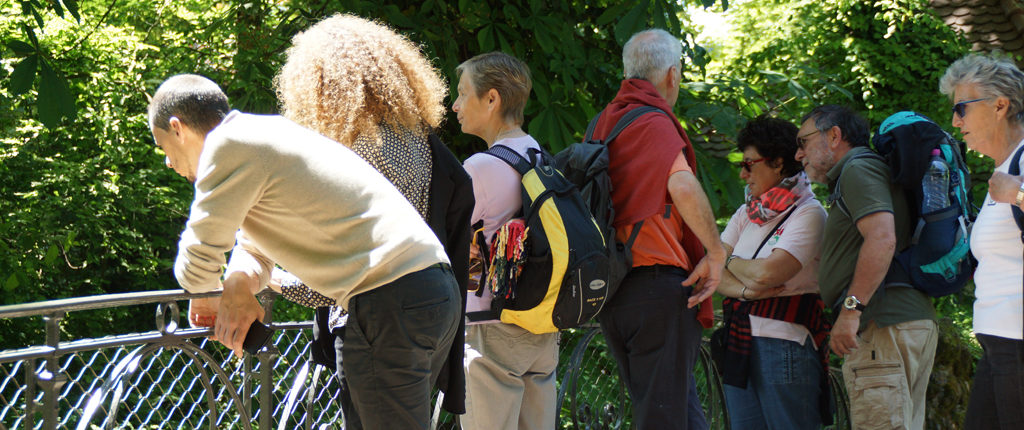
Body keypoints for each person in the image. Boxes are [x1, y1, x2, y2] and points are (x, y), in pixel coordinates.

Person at [150, 74, 461, 430]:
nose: (169, 163)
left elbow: (199, 258)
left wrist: (206, 299)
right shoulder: (266, 135)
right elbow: (255, 248)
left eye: (164, 149)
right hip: (423, 290)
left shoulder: (228, 144)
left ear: (178, 129)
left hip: (390, 299)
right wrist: (235, 283)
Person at [273, 14, 473, 424]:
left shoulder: (358, 151)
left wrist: (272, 280)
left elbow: (347, 262)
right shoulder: (416, 139)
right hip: (435, 302)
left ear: (321, 84)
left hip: (384, 312)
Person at [586, 28, 725, 429]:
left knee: (681, 412)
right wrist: (716, 254)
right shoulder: (652, 120)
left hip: (613, 291)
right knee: (664, 418)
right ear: (673, 75)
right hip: (658, 290)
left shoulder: (602, 124)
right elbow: (681, 184)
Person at [795, 104, 937, 429]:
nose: (798, 154)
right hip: (899, 322)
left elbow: (881, 238)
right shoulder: (865, 171)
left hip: (881, 326)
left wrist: (850, 310)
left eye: (803, 142)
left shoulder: (857, 169)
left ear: (834, 136)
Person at [450, 51, 559, 430]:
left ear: (491, 99)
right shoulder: (543, 156)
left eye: (463, 94)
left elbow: (443, 240)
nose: (455, 105)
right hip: (542, 323)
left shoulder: (481, 167)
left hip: (490, 325)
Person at [716, 116, 829, 429]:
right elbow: (711, 268)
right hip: (740, 342)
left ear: (778, 163)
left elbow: (768, 274)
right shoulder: (747, 211)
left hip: (785, 344)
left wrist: (730, 261)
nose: (742, 174)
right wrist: (744, 290)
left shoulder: (809, 213)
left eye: (749, 164)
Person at [940, 53, 1024, 430]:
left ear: (1000, 105)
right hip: (999, 341)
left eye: (962, 108)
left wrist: (1019, 195)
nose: (955, 121)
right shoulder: (1003, 170)